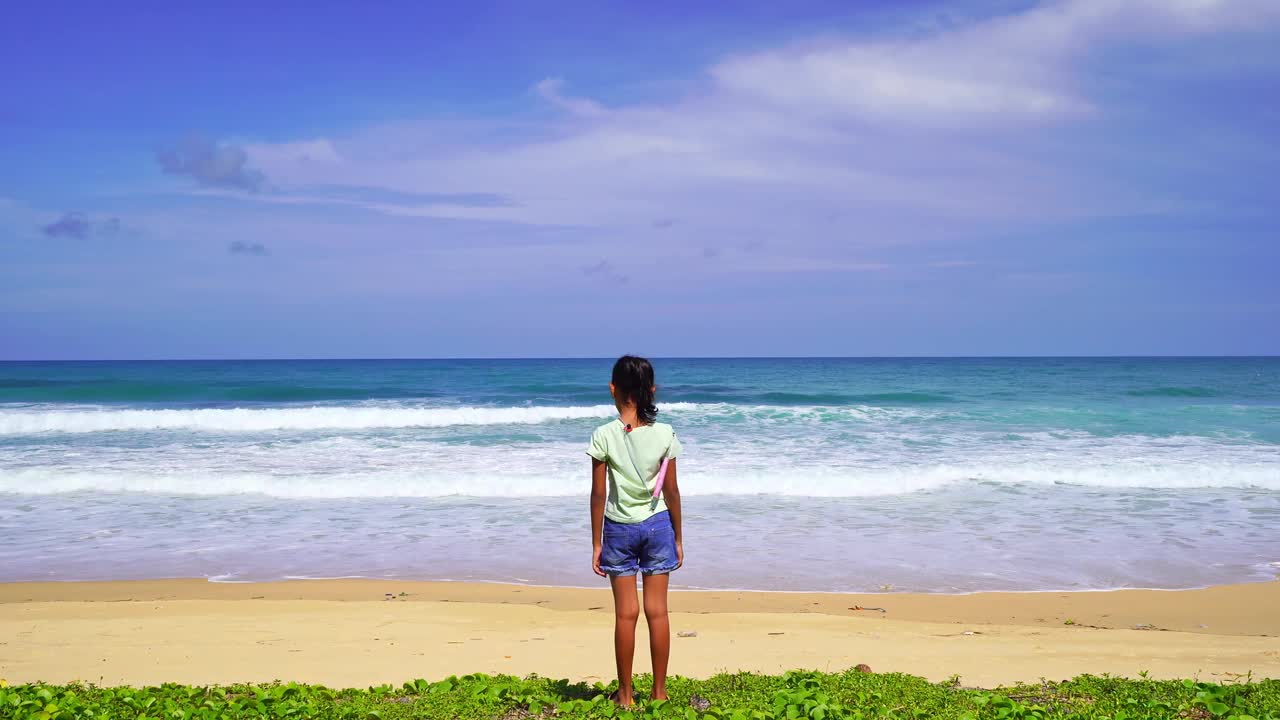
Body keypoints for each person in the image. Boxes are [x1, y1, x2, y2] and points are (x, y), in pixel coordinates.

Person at [587, 355, 684, 707]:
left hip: (618, 528)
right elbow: (670, 491)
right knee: (657, 611)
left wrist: (596, 542)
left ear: (613, 388)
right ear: (652, 390)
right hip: (658, 524)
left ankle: (625, 695)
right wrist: (677, 536)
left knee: (625, 614)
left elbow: (599, 494)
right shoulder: (664, 434)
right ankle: (659, 692)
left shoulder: (604, 436)